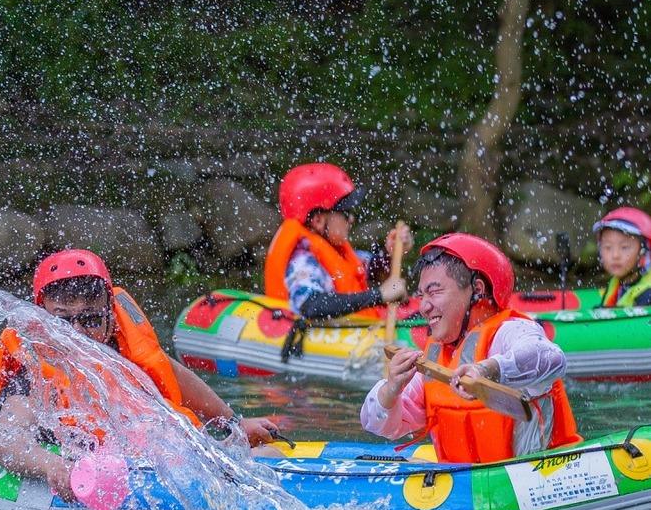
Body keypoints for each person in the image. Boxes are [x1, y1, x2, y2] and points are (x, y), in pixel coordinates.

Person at [0, 249, 279, 502]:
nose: (76, 332)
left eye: (90, 319)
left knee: (269, 455)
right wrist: (52, 466)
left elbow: (173, 376)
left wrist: (234, 425)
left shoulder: (122, 346)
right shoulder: (31, 372)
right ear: (42, 320)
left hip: (155, 457)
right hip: (90, 467)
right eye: (62, 320)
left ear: (109, 317)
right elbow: (7, 443)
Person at [360, 233, 581, 463]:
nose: (424, 306)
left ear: (477, 289)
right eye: (421, 295)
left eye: (434, 292)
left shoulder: (510, 332)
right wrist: (391, 389)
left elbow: (552, 358)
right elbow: (380, 426)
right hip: (466, 484)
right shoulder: (435, 356)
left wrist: (487, 370)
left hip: (539, 477)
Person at [263, 162, 412, 319]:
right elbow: (310, 305)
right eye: (346, 213)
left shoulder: (331, 247)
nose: (352, 219)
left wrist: (390, 254)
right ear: (318, 220)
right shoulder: (301, 258)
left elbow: (366, 269)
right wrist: (378, 295)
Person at [593, 206, 651, 307]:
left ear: (644, 251)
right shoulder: (616, 283)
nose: (615, 255)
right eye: (607, 247)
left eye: (624, 247)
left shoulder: (647, 294)